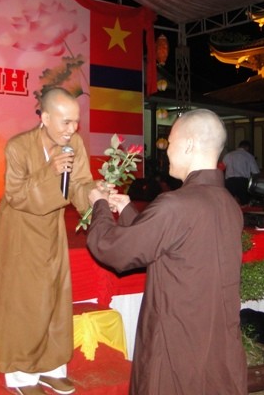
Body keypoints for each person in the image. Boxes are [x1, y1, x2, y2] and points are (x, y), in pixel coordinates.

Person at [86, 109, 247, 395]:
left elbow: (114, 250)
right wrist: (126, 209)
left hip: (177, 341)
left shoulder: (176, 204)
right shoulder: (228, 204)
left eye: (170, 143)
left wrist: (99, 205)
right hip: (215, 339)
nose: (166, 151)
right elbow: (168, 245)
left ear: (188, 145)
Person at [0, 87, 100, 395]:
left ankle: (51, 367)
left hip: (52, 227)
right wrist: (50, 171)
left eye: (76, 121)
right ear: (45, 118)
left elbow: (79, 184)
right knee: (25, 300)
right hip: (20, 228)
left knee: (55, 295)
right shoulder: (18, 147)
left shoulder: (74, 144)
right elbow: (16, 195)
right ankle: (21, 375)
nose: (72, 129)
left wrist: (95, 194)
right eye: (65, 122)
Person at [222, 139, 260, 204]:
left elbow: (221, 168)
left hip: (229, 182)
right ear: (247, 147)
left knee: (229, 203)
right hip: (242, 182)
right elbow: (256, 172)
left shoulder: (228, 155)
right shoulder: (249, 156)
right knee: (244, 203)